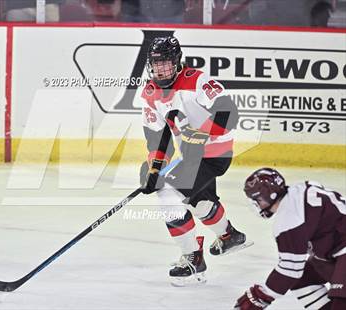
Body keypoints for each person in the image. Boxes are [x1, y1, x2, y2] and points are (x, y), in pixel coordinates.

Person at [139, 36, 248, 286]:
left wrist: (202, 133)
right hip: (190, 156)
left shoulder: (197, 80)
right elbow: (157, 137)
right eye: (156, 64)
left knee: (168, 196)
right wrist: (155, 167)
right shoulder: (150, 93)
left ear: (177, 62)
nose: (161, 70)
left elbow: (228, 113)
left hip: (215, 154)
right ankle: (229, 235)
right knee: (198, 200)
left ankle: (192, 258)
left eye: (166, 63)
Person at [236, 168, 346, 309]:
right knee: (304, 280)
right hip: (335, 250)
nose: (257, 204)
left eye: (258, 199)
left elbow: (290, 269)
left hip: (341, 250)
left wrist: (260, 296)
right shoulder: (299, 190)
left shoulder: (288, 218)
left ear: (271, 195)